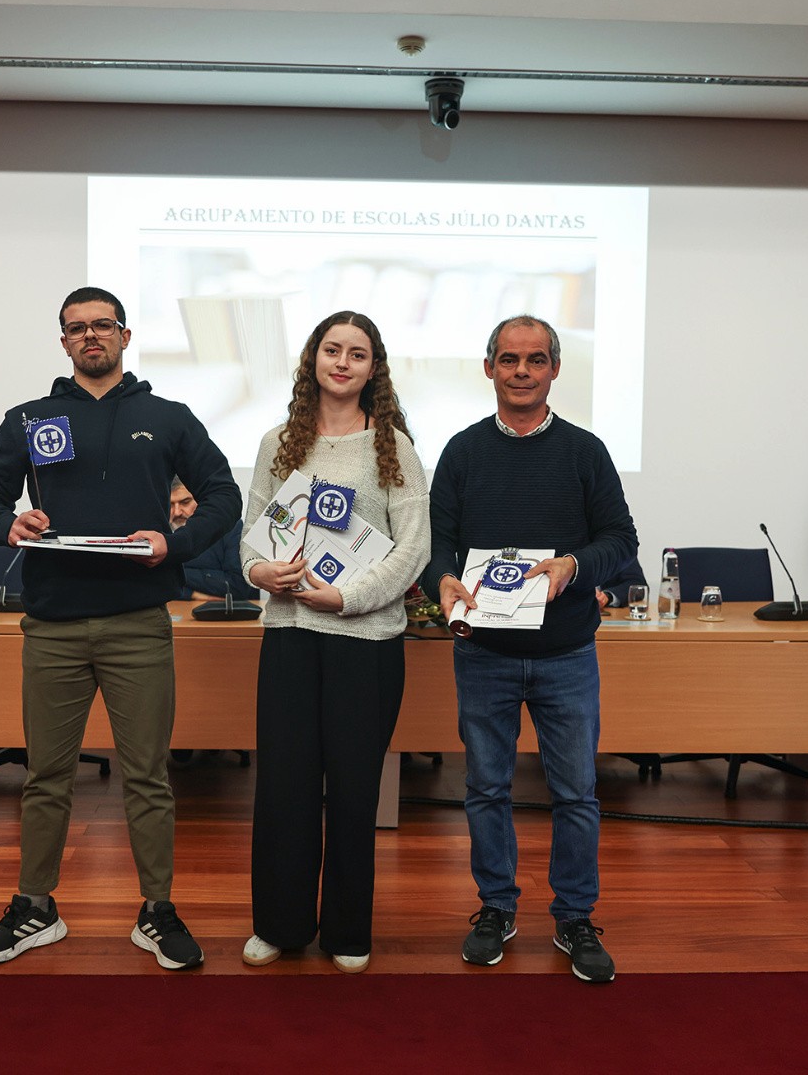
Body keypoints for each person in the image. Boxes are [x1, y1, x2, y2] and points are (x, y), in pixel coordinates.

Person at [0, 285, 240, 968]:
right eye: (77, 327)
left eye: (103, 325)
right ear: (63, 342)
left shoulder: (167, 418)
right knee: (46, 776)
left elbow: (224, 495)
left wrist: (175, 543)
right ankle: (35, 908)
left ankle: (156, 911)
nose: (91, 335)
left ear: (124, 335)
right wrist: (6, 523)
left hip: (138, 624)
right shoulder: (31, 419)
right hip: (52, 626)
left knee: (148, 777)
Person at [421, 313, 638, 984]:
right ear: (489, 368)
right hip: (482, 654)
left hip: (566, 654)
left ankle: (574, 917)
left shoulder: (585, 452)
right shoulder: (462, 452)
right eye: (509, 359)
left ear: (555, 369)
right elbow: (437, 544)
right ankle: (496, 908)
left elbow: (621, 541)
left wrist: (574, 565)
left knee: (576, 793)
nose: (522, 371)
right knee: (486, 788)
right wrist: (442, 579)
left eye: (535, 359)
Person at [238, 310, 430, 974]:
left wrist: (346, 598)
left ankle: (348, 929)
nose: (342, 362)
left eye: (357, 353)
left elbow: (414, 548)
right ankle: (279, 924)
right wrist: (261, 573)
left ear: (374, 368)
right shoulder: (278, 442)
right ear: (312, 359)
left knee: (353, 791)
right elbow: (251, 540)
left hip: (365, 643)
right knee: (284, 788)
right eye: (331, 349)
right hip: (290, 636)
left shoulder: (393, 447)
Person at [169, 476, 258, 602]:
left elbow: (237, 586)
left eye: (185, 502)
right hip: (178, 612)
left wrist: (171, 573)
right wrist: (193, 594)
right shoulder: (161, 534)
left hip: (227, 613)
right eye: (170, 504)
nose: (177, 512)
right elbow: (153, 586)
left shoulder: (230, 528)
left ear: (201, 499)